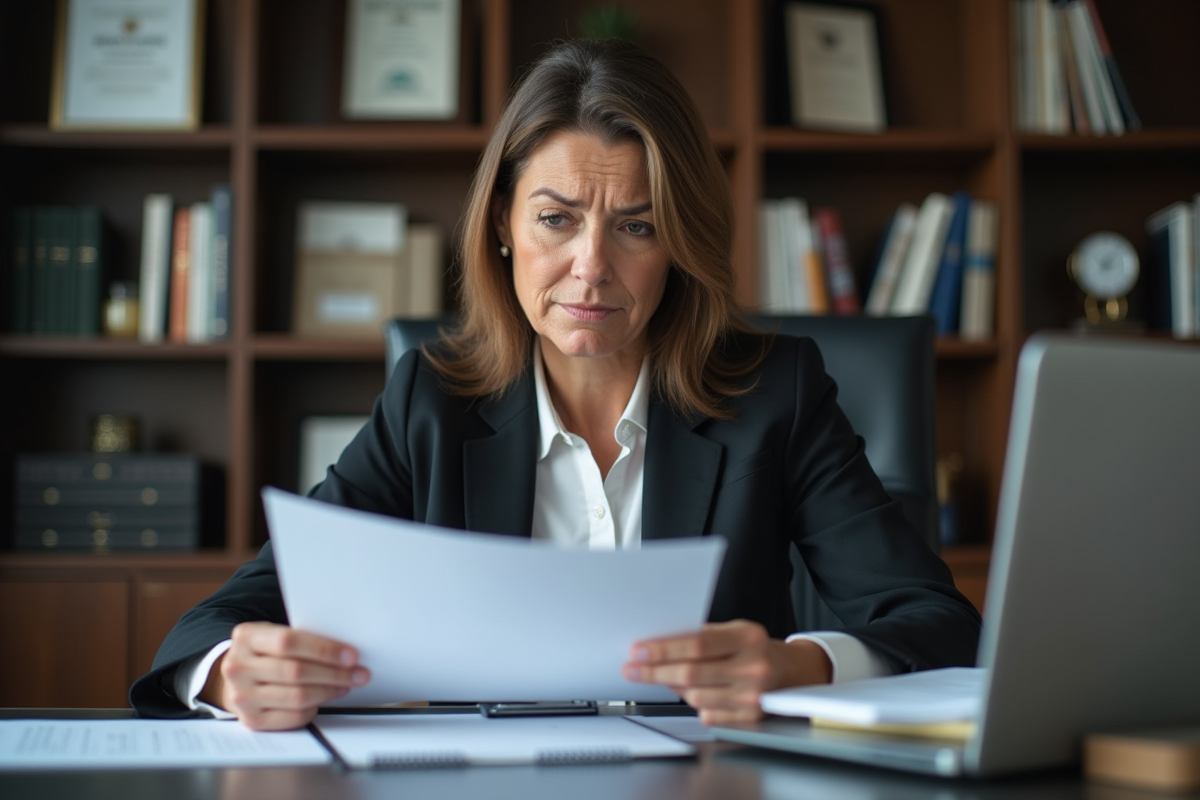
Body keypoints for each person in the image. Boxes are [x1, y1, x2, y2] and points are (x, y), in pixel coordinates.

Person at [130, 39, 980, 731]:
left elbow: (938, 626)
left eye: (637, 226)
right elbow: (220, 618)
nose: (591, 269)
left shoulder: (775, 394)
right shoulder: (430, 400)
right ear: (503, 223)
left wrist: (799, 664)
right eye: (556, 219)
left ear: (679, 241)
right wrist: (228, 674)